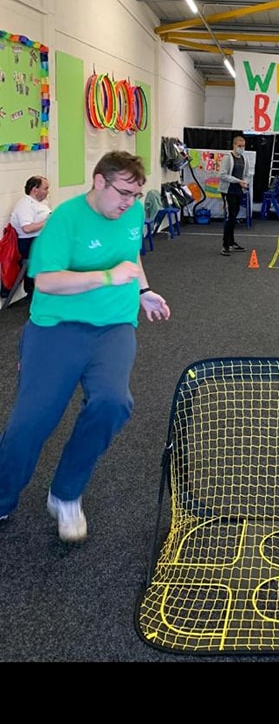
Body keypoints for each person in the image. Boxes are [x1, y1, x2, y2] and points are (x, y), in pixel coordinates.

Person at [0, 151, 170, 541]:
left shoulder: (132, 212)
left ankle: (66, 494)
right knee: (32, 422)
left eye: (136, 195)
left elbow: (130, 255)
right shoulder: (65, 219)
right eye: (123, 193)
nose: (129, 203)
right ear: (99, 182)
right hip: (56, 327)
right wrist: (108, 276)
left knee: (113, 403)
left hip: (114, 325)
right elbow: (46, 282)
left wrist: (142, 291)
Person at [10, 174, 52, 295]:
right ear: (35, 190)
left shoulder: (42, 203)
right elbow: (27, 228)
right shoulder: (25, 205)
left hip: (40, 239)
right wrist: (47, 221)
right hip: (29, 242)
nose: (48, 192)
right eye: (45, 188)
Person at [218, 134, 250, 256]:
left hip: (238, 191)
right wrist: (238, 181)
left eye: (243, 146)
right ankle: (225, 245)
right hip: (228, 191)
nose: (241, 148)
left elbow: (246, 174)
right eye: (239, 146)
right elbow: (222, 175)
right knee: (230, 217)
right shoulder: (228, 158)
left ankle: (231, 242)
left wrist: (245, 182)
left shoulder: (244, 159)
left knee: (234, 217)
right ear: (234, 145)